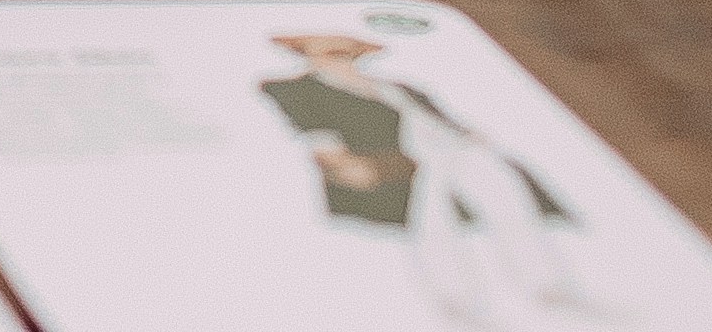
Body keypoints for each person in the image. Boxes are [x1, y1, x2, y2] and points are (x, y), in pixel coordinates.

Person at [260, 31, 611, 326]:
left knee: (507, 202)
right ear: (305, 52)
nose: (339, 56)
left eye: (346, 50)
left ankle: (548, 286)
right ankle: (456, 303)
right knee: (433, 218)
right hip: (399, 164)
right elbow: (314, 135)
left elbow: (441, 121)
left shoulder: (400, 87)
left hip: (456, 153)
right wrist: (341, 163)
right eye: (328, 50)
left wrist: (469, 137)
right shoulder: (294, 89)